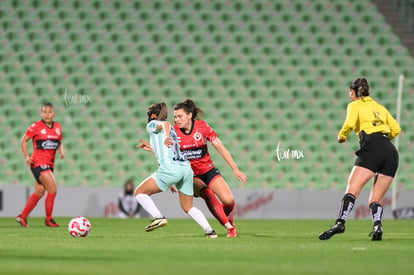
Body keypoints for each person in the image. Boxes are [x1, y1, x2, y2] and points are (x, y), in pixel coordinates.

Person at [319, 78, 401, 241]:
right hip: (391, 152)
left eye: (350, 92)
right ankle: (377, 225)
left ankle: (340, 223)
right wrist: (384, 138)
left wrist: (341, 136)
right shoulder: (380, 107)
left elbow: (349, 124)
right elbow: (396, 129)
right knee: (375, 199)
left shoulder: (354, 105)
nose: (349, 95)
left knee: (352, 189)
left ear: (354, 92)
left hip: (373, 148)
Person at [134, 102, 217, 238]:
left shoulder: (153, 125)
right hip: (185, 169)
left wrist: (165, 136)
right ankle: (210, 231)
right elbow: (168, 150)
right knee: (188, 207)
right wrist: (151, 148)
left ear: (153, 115)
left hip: (170, 170)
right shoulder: (173, 130)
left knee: (139, 193)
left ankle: (158, 217)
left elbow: (165, 125)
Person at [173, 99, 248, 237]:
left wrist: (235, 169)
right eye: (175, 117)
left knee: (229, 201)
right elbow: (168, 156)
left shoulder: (202, 127)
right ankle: (229, 227)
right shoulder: (173, 132)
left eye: (180, 116)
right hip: (189, 175)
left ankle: (225, 217)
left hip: (207, 169)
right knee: (207, 193)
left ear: (189, 115)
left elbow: (220, 147)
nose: (177, 119)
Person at [16, 102, 64, 227]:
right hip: (38, 163)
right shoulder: (35, 126)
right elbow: (23, 141)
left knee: (39, 192)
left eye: (49, 112)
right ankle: (48, 219)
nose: (47, 114)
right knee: (52, 189)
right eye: (44, 112)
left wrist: (61, 149)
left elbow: (59, 140)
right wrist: (26, 156)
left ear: (54, 113)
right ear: (41, 113)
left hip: (50, 164)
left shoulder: (58, 127)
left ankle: (22, 216)